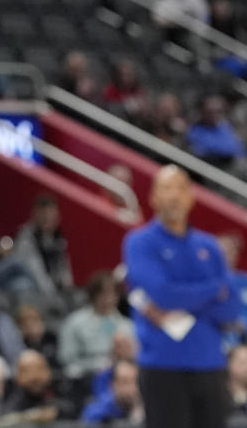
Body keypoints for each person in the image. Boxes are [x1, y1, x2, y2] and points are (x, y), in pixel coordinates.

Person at [123, 164, 239, 428]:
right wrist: (211, 290)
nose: (174, 196)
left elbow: (230, 306)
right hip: (163, 366)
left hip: (210, 364)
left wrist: (184, 297)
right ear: (153, 197)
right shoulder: (139, 242)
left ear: (191, 197)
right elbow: (162, 294)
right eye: (166, 188)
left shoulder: (209, 245)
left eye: (180, 188)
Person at [57, 271, 134, 381]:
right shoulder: (74, 323)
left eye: (113, 293)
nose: (109, 298)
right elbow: (67, 359)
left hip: (121, 376)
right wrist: (98, 364)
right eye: (104, 293)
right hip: (85, 377)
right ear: (94, 294)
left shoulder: (127, 325)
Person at [81, 358, 144, 424]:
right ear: (113, 385)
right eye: (124, 382)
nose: (132, 387)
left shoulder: (148, 408)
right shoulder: (97, 411)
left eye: (135, 382)